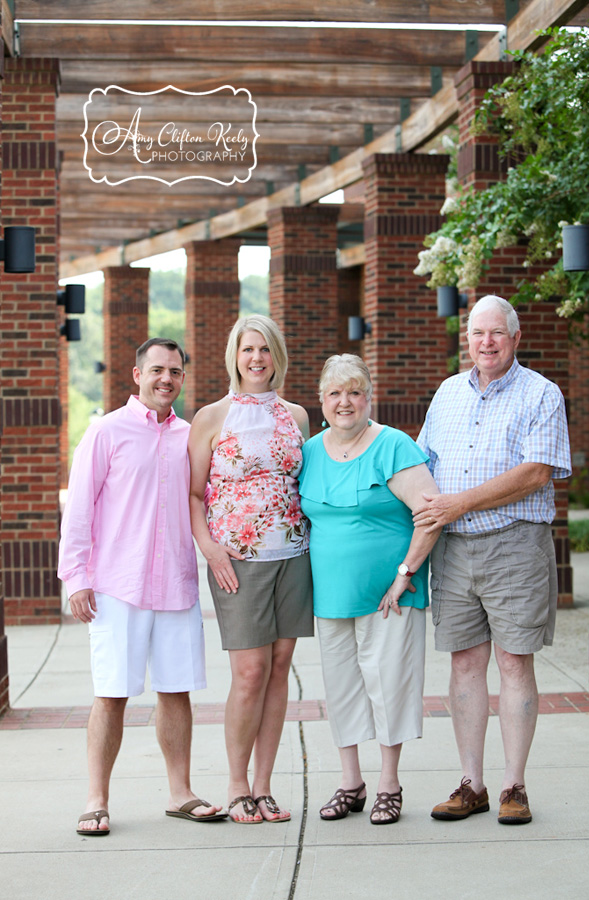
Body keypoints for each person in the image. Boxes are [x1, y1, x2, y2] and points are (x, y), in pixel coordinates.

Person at [58, 337, 225, 835]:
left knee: (176, 691)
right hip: (116, 586)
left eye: (174, 371)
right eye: (157, 370)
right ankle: (95, 799)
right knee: (111, 693)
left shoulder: (191, 437)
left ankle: (181, 793)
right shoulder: (106, 432)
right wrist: (76, 578)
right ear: (137, 375)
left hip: (175, 585)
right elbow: (79, 510)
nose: (165, 379)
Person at [415, 294, 571, 825]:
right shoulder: (447, 393)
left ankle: (514, 786)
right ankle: (471, 783)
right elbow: (424, 464)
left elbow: (536, 473)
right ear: (468, 339)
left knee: (513, 662)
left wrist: (458, 502)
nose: (486, 342)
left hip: (515, 546)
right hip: (454, 550)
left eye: (496, 333)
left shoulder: (541, 394)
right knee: (464, 663)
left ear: (515, 337)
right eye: (477, 333)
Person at [298, 354, 441, 825]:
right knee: (342, 689)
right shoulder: (311, 452)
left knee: (388, 685)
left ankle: (389, 783)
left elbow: (430, 513)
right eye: (335, 393)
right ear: (322, 401)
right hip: (331, 596)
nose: (345, 402)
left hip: (390, 598)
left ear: (368, 397)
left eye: (354, 391)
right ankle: (351, 782)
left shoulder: (393, 446)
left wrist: (405, 574)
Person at [188, 314, 313, 824]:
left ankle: (264, 787)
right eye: (247, 350)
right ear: (234, 357)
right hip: (237, 562)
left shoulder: (298, 416)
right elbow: (194, 494)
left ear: (276, 355)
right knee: (250, 673)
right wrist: (210, 549)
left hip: (293, 556)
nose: (256, 359)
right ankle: (237, 784)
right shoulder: (212, 418)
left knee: (280, 668)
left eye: (264, 350)